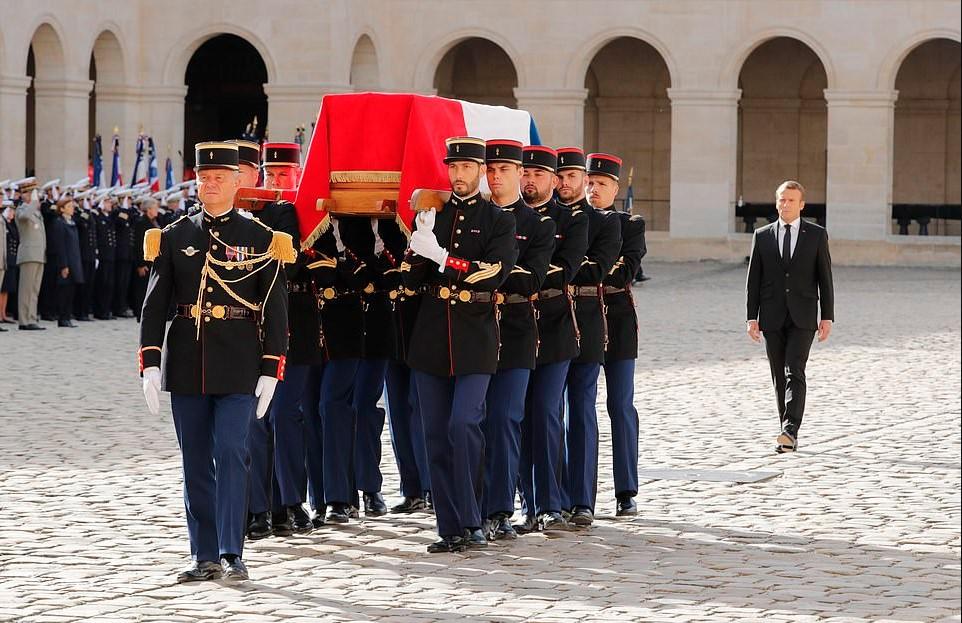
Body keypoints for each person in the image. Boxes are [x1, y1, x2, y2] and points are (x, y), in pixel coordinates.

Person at [139, 141, 293, 582]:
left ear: (238, 182)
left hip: (240, 361)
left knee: (232, 451)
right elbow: (155, 305)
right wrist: (150, 362)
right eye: (204, 178)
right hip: (187, 360)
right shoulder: (174, 237)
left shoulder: (262, 239)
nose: (209, 185)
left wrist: (271, 368)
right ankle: (202, 553)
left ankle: (231, 549)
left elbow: (275, 308)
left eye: (218, 178)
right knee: (195, 459)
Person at [402, 136, 518, 553]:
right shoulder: (435, 215)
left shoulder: (498, 220)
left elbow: (492, 273)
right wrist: (416, 245)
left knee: (464, 424)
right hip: (432, 336)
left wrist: (441, 257)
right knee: (435, 433)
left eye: (467, 168)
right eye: (453, 168)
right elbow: (409, 282)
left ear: (481, 170)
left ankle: (475, 519)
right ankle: (450, 527)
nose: (458, 175)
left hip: (475, 336)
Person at [480, 140, 555, 541]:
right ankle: (474, 504)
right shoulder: (475, 216)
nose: (496, 177)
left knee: (506, 420)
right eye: (490, 170)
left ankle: (500, 508)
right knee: (473, 421)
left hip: (516, 330)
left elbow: (533, 278)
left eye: (505, 170)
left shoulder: (538, 225)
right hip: (473, 330)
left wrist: (485, 273)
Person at [516, 146, 588, 535]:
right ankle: (526, 503)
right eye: (525, 174)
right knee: (519, 415)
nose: (530, 180)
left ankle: (551, 502)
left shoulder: (571, 221)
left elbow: (564, 270)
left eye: (538, 175)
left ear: (555, 180)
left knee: (545, 413)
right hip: (513, 326)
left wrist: (518, 273)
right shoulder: (509, 217)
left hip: (555, 325)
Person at [246, 141, 314, 539]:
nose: (276, 181)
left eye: (282, 175)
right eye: (270, 175)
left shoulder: (288, 212)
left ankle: (289, 500)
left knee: (286, 417)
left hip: (291, 326)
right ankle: (260, 506)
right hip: (245, 333)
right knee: (256, 421)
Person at [746, 180, 834, 454]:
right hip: (771, 315)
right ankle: (786, 430)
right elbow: (754, 280)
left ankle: (790, 429)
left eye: (791, 200)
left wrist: (827, 316)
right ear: (776, 202)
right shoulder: (762, 236)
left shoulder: (816, 235)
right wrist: (751, 317)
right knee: (777, 375)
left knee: (793, 370)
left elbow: (825, 277)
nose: (785, 204)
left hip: (804, 315)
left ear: (801, 205)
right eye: (782, 200)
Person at [563, 153, 622, 528]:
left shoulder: (606, 223)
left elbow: (596, 268)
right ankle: (547, 496)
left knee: (581, 409)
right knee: (546, 413)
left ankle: (582, 498)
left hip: (584, 321)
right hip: (547, 321)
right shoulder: (553, 217)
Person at [595, 158, 646, 517]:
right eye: (590, 181)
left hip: (616, 319)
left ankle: (625, 489)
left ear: (616, 189)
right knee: (575, 407)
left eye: (602, 183)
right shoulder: (573, 221)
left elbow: (624, 270)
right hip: (577, 318)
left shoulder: (631, 225)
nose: (594, 189)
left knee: (620, 405)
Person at [15, 179, 47, 330]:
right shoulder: (22, 209)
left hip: (38, 254)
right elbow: (24, 217)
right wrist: (33, 202)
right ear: (25, 194)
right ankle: (24, 320)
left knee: (34, 289)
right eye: (33, 192)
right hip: (28, 254)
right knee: (26, 289)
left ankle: (32, 318)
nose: (36, 196)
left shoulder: (36, 211)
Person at [51, 197, 84, 328]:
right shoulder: (59, 223)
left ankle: (67, 316)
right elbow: (60, 246)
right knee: (64, 291)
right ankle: (62, 317)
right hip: (65, 262)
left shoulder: (71, 222)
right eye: (69, 206)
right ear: (62, 209)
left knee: (71, 290)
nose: (72, 209)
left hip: (74, 260)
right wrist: (63, 265)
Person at [131, 198, 161, 321]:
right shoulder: (141, 222)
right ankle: (140, 313)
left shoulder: (154, 221)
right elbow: (138, 245)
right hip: (145, 262)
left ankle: (149, 313)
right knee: (142, 289)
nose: (157, 211)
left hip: (153, 261)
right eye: (155, 208)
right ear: (148, 210)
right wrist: (140, 264)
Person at [1, 201, 19, 325]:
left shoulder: (11, 224)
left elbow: (17, 237)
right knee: (2, 289)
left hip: (11, 259)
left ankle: (3, 313)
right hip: (4, 259)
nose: (13, 213)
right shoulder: (3, 224)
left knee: (7, 288)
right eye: (11, 210)